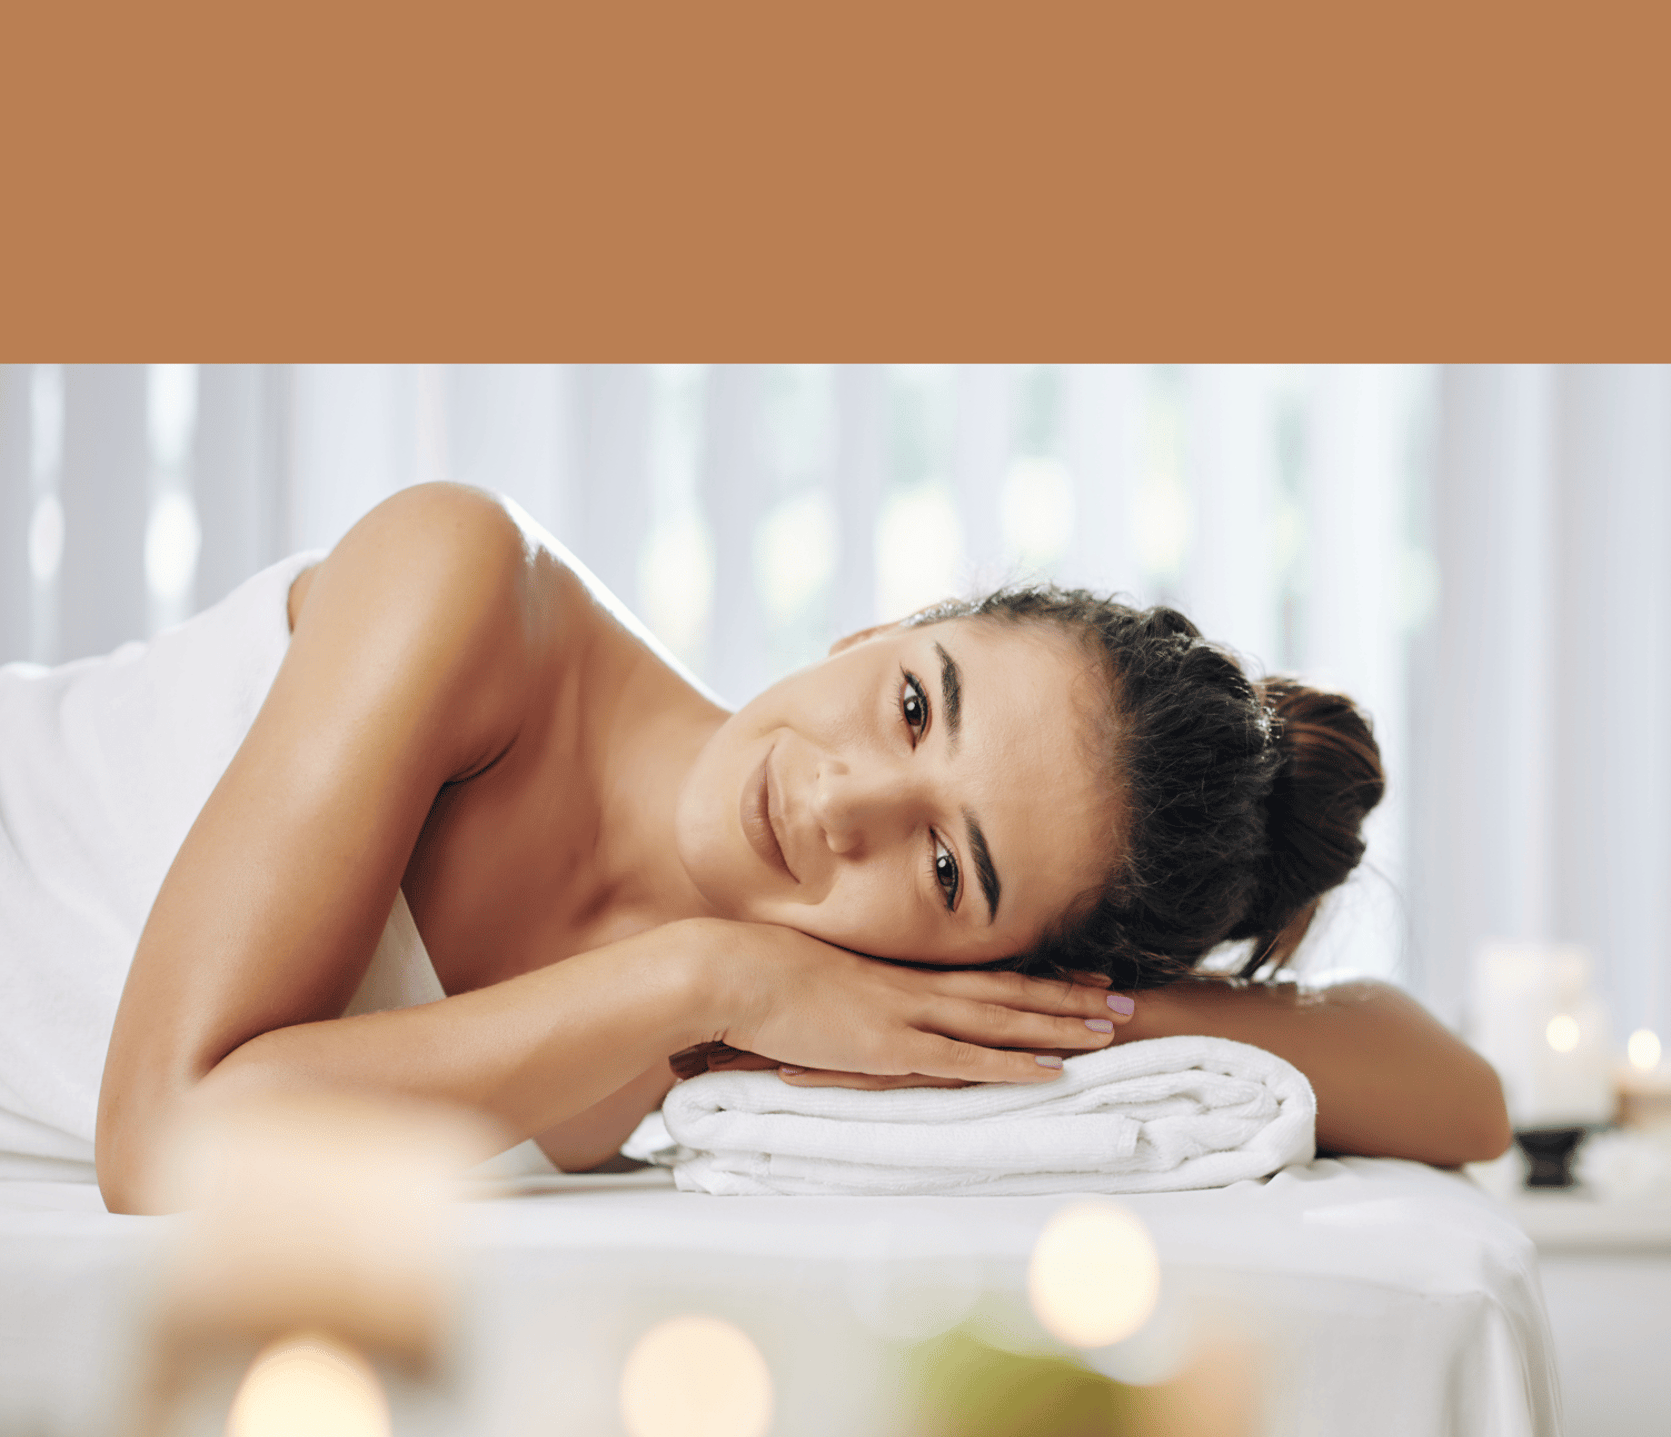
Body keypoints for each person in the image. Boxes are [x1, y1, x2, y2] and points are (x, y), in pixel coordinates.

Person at [0, 484, 1506, 1208]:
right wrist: (701, 975)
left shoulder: (828, 1011)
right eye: (914, 704)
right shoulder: (469, 585)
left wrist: (1062, 1014)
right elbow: (167, 1140)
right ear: (881, 629)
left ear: (991, 960)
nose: (844, 801)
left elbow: (1458, 1096)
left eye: (948, 869)